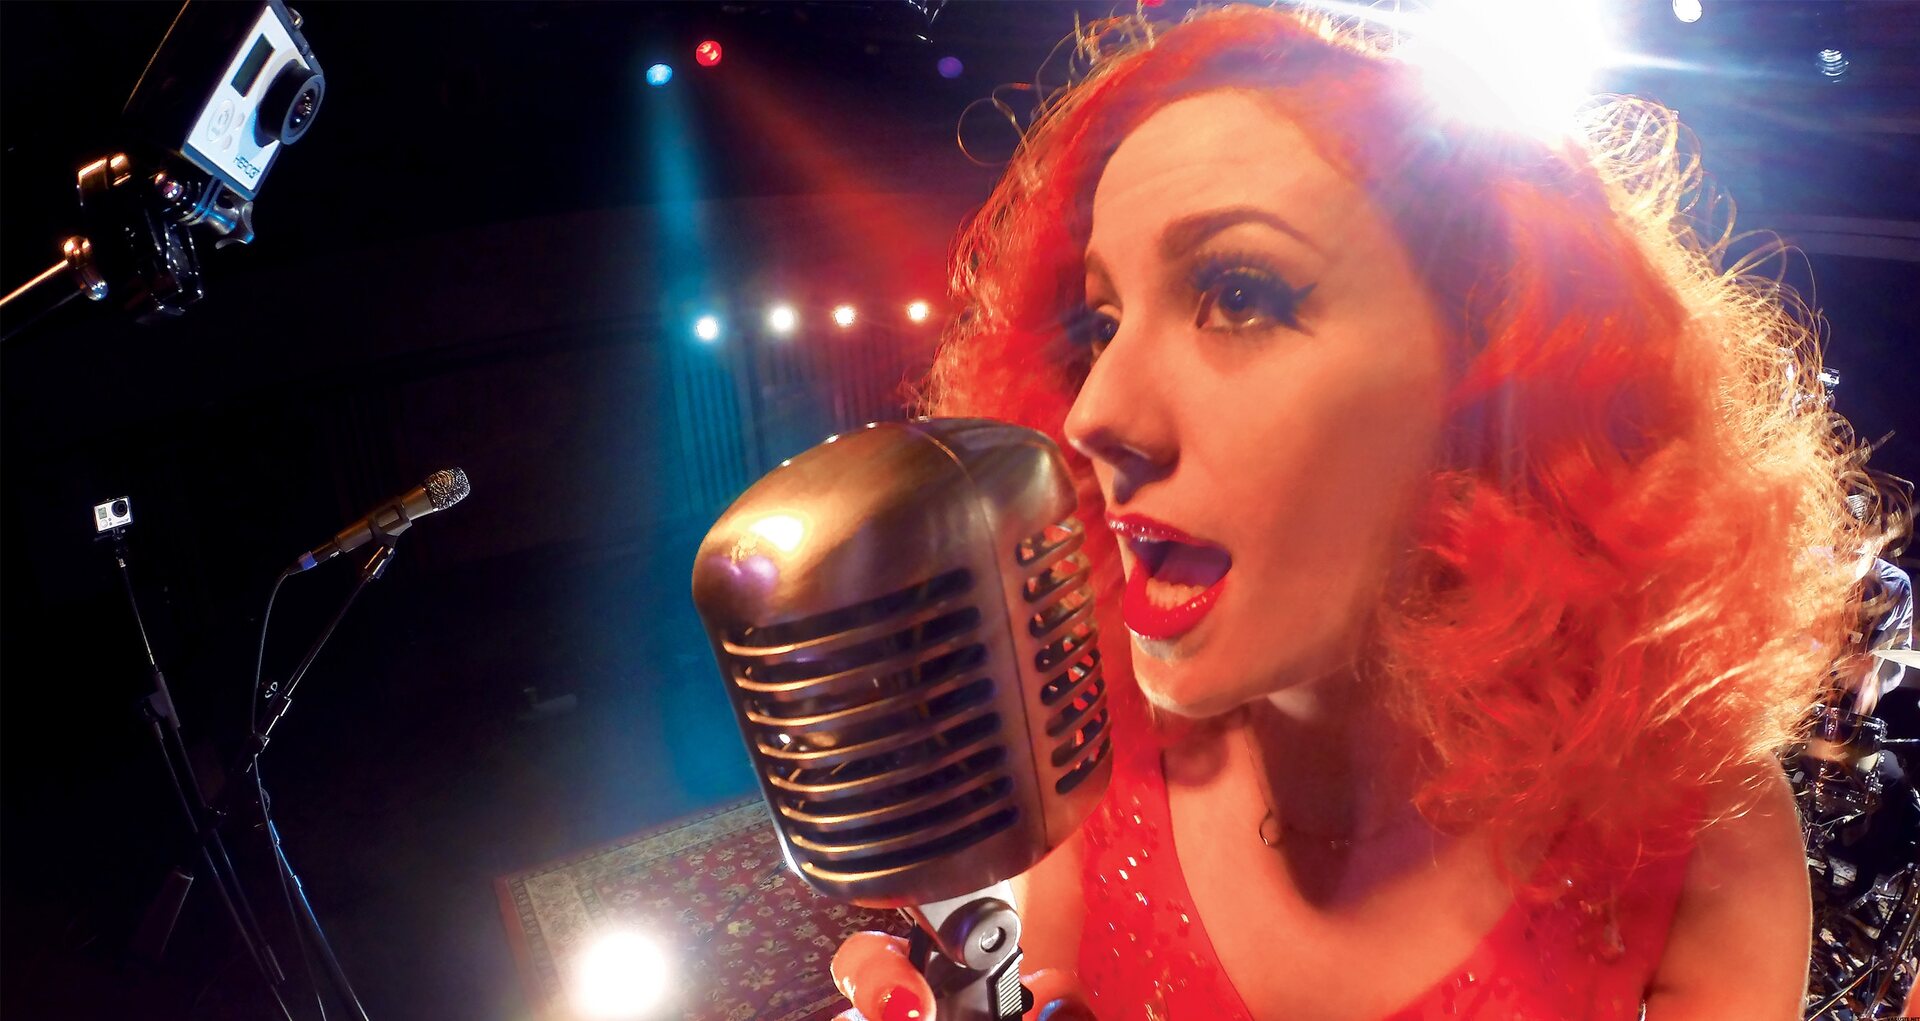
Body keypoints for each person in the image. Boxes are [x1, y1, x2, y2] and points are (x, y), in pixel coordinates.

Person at [831, 6, 1890, 1019]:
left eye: (1240, 294)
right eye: (1102, 322)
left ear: (1497, 379)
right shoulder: (1090, 750)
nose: (1095, 413)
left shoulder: (1697, 836)